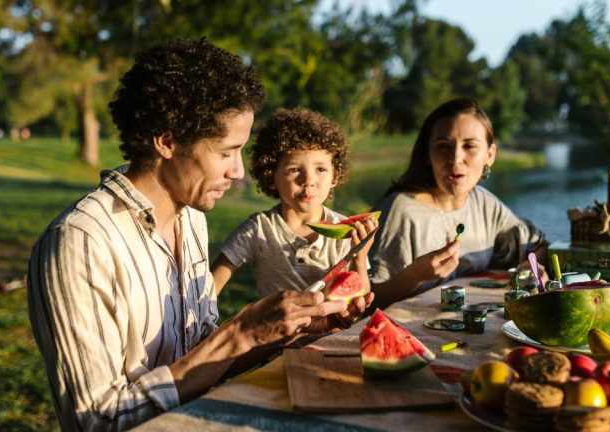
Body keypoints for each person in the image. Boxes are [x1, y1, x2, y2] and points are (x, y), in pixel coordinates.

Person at [26, 38, 371, 432]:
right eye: (226, 152)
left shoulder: (191, 218)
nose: (238, 171)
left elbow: (202, 362)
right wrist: (238, 334)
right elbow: (98, 421)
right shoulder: (78, 243)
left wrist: (280, 333)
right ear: (167, 141)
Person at [369, 97, 548, 309]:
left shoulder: (483, 202)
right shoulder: (400, 210)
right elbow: (368, 303)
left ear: (489, 155)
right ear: (428, 154)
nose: (455, 159)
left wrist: (534, 266)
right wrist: (413, 277)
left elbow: (535, 245)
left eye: (469, 146)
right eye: (443, 146)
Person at [211, 107, 377, 298]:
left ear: (335, 177)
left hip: (334, 328)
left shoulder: (345, 232)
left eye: (321, 169)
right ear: (271, 176)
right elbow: (212, 285)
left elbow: (360, 298)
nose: (308, 180)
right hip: (274, 328)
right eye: (295, 169)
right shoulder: (258, 229)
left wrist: (360, 256)